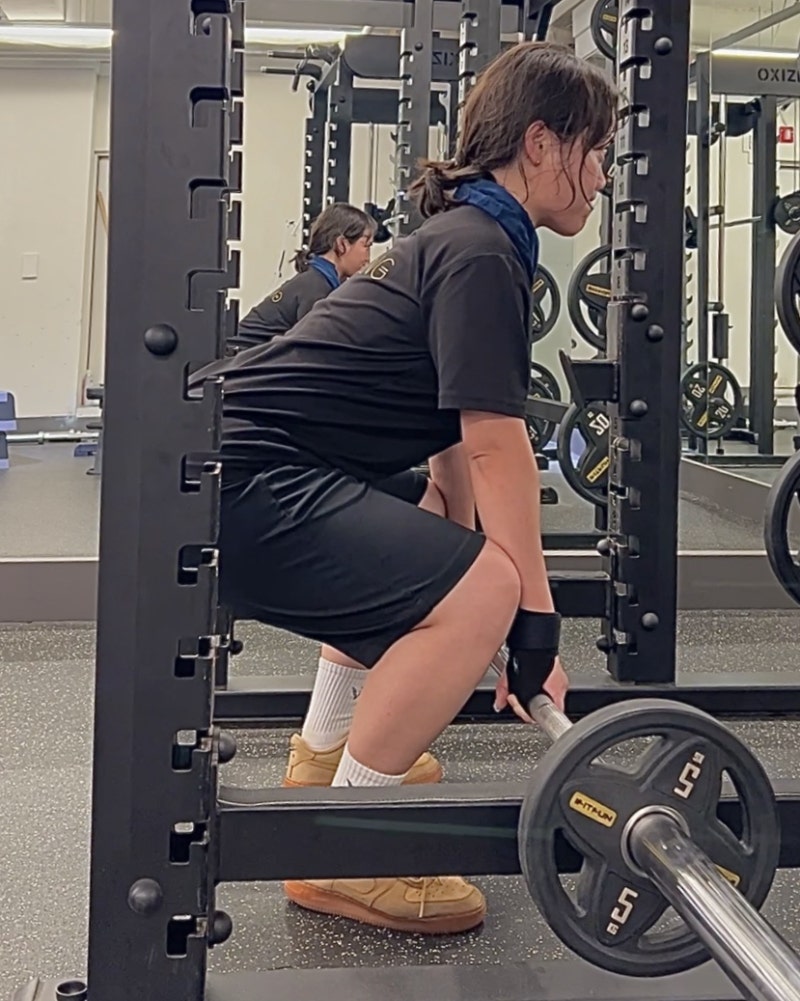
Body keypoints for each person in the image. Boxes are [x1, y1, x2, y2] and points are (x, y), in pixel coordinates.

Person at [208, 42, 616, 935]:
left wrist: (462, 554)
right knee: (488, 584)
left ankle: (326, 757)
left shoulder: (461, 238)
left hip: (236, 473)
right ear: (540, 144)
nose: (602, 177)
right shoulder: (483, 253)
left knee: (441, 552)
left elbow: (453, 446)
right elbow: (497, 444)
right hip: (246, 482)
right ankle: (350, 846)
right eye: (595, 152)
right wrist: (530, 622)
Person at [232, 202, 376, 351]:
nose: (369, 257)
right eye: (367, 246)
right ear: (341, 244)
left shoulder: (316, 280)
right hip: (241, 359)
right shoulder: (317, 288)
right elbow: (314, 351)